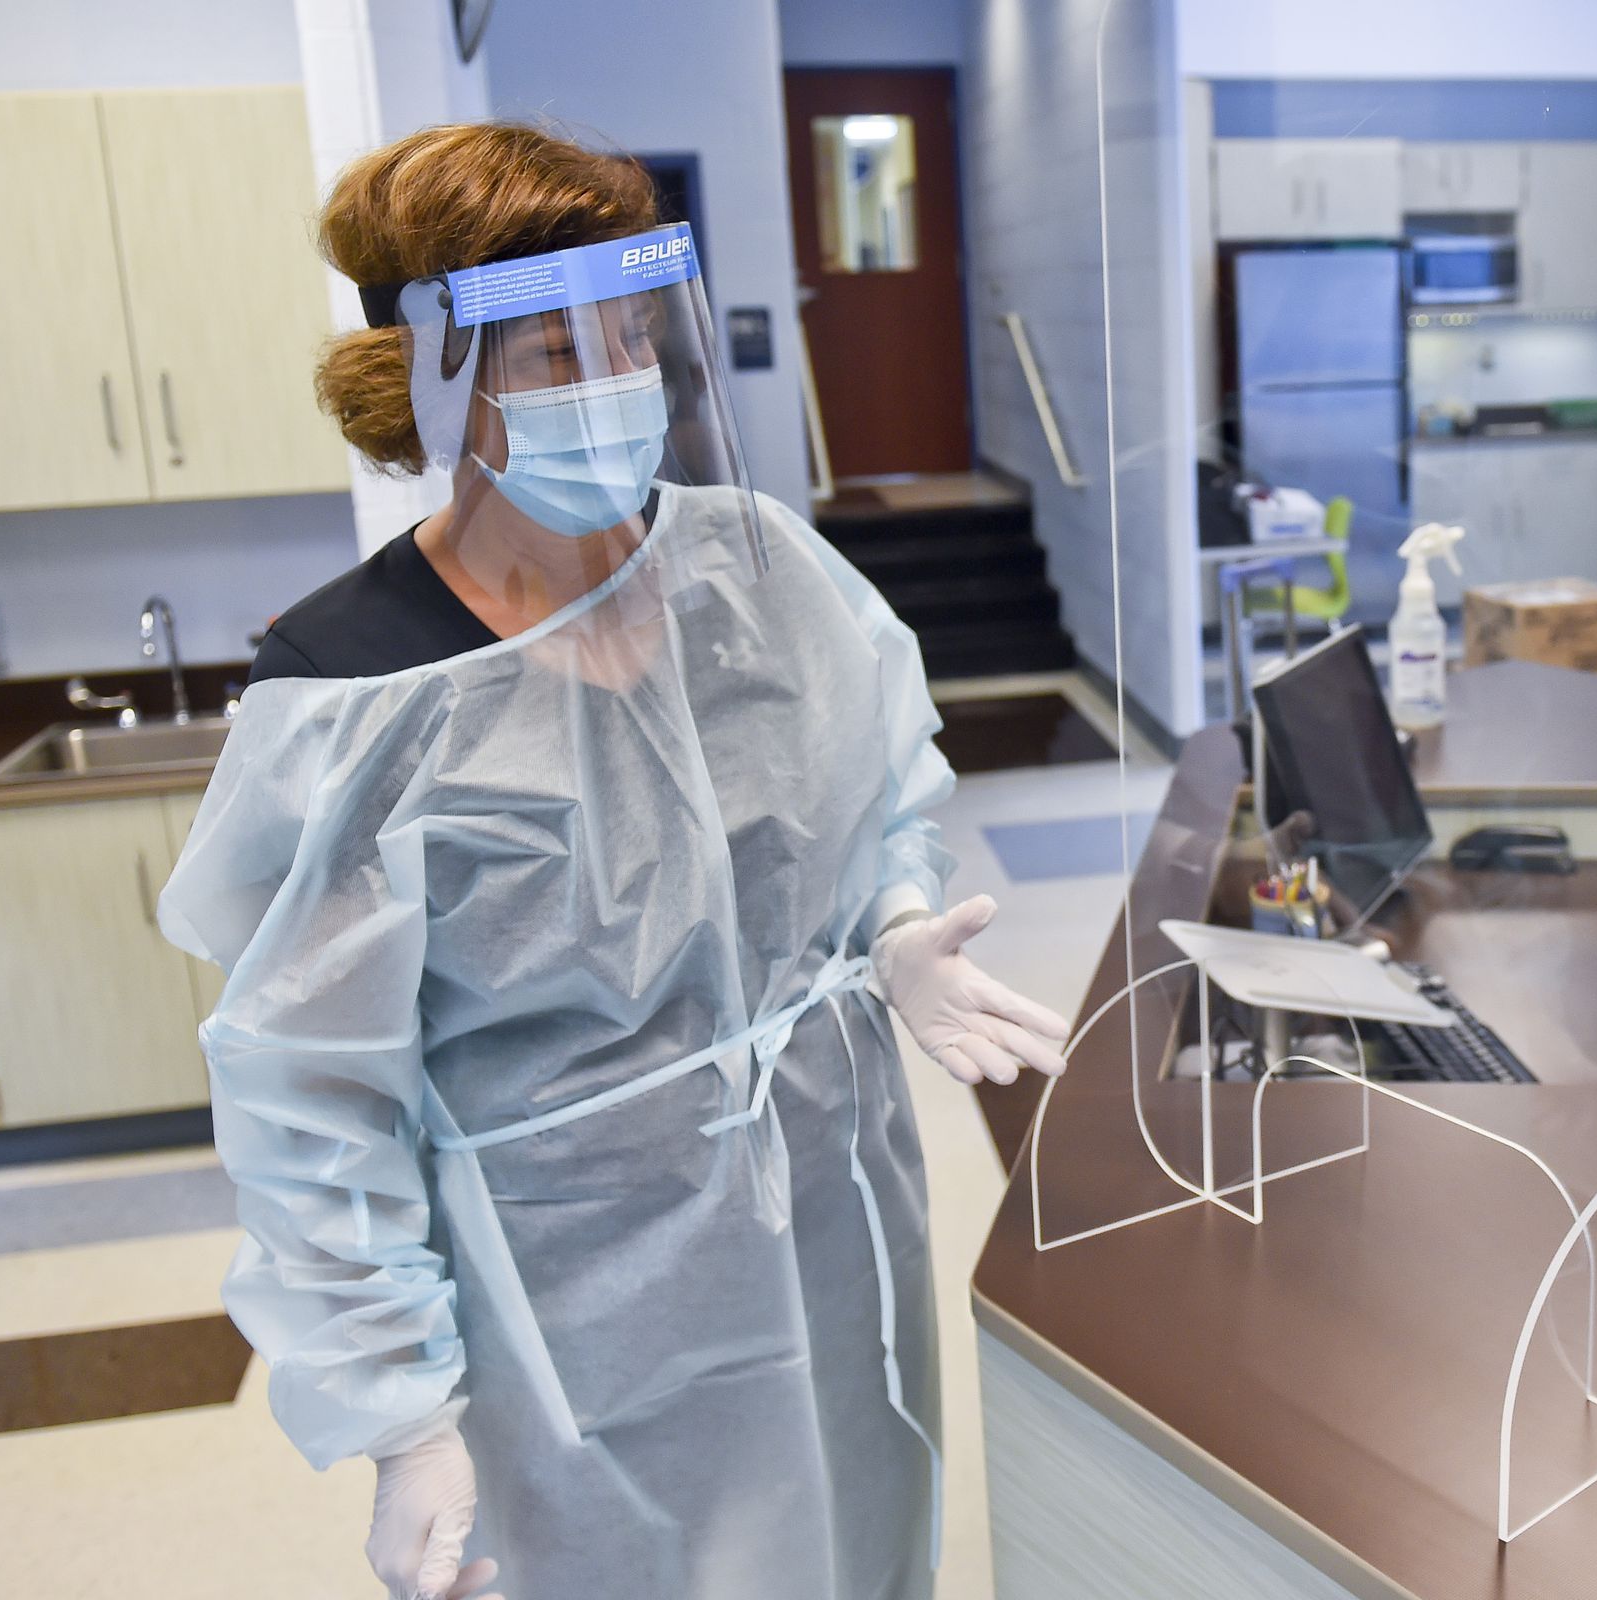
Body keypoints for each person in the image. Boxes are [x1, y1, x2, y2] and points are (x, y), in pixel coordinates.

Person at [158, 123, 1068, 1600]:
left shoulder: (757, 574)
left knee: (856, 1542)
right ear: (439, 376)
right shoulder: (357, 691)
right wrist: (402, 1418)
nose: (619, 389)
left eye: (634, 337)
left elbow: (881, 787)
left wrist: (890, 923)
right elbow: (313, 1097)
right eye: (558, 357)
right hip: (580, 1321)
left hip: (836, 1235)